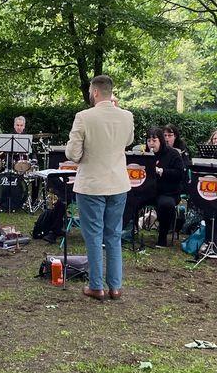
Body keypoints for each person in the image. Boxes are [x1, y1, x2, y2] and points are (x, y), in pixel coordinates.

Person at [65, 75, 135, 301]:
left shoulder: (84, 117)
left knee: (94, 236)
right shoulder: (127, 116)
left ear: (95, 92)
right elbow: (128, 142)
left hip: (92, 184)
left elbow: (73, 154)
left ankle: (97, 286)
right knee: (113, 235)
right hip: (118, 183)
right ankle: (115, 286)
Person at [145, 126, 186, 248]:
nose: (151, 144)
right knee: (128, 198)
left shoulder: (172, 154)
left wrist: (162, 171)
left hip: (168, 192)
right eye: (148, 141)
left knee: (166, 205)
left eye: (154, 140)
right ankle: (126, 232)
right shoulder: (144, 154)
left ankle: (162, 238)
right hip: (147, 191)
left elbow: (180, 174)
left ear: (161, 141)